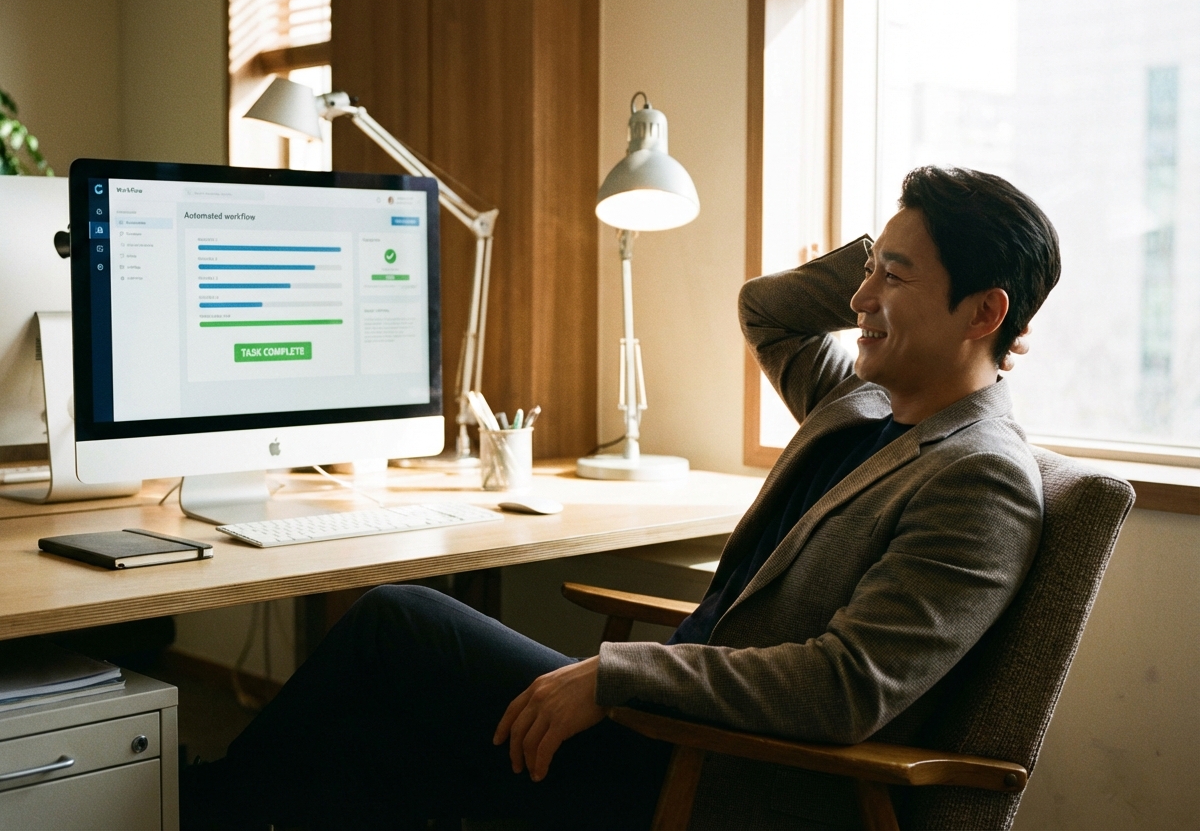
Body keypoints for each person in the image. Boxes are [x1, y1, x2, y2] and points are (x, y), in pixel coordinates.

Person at [182, 166, 1061, 830]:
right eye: (867, 273)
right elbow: (770, 310)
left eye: (894, 279)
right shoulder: (862, 404)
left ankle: (205, 806)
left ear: (984, 313)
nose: (862, 299)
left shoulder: (978, 477)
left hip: (714, 771)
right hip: (664, 725)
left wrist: (614, 674)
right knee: (380, 732)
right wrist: (886, 263)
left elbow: (844, 687)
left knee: (399, 628)